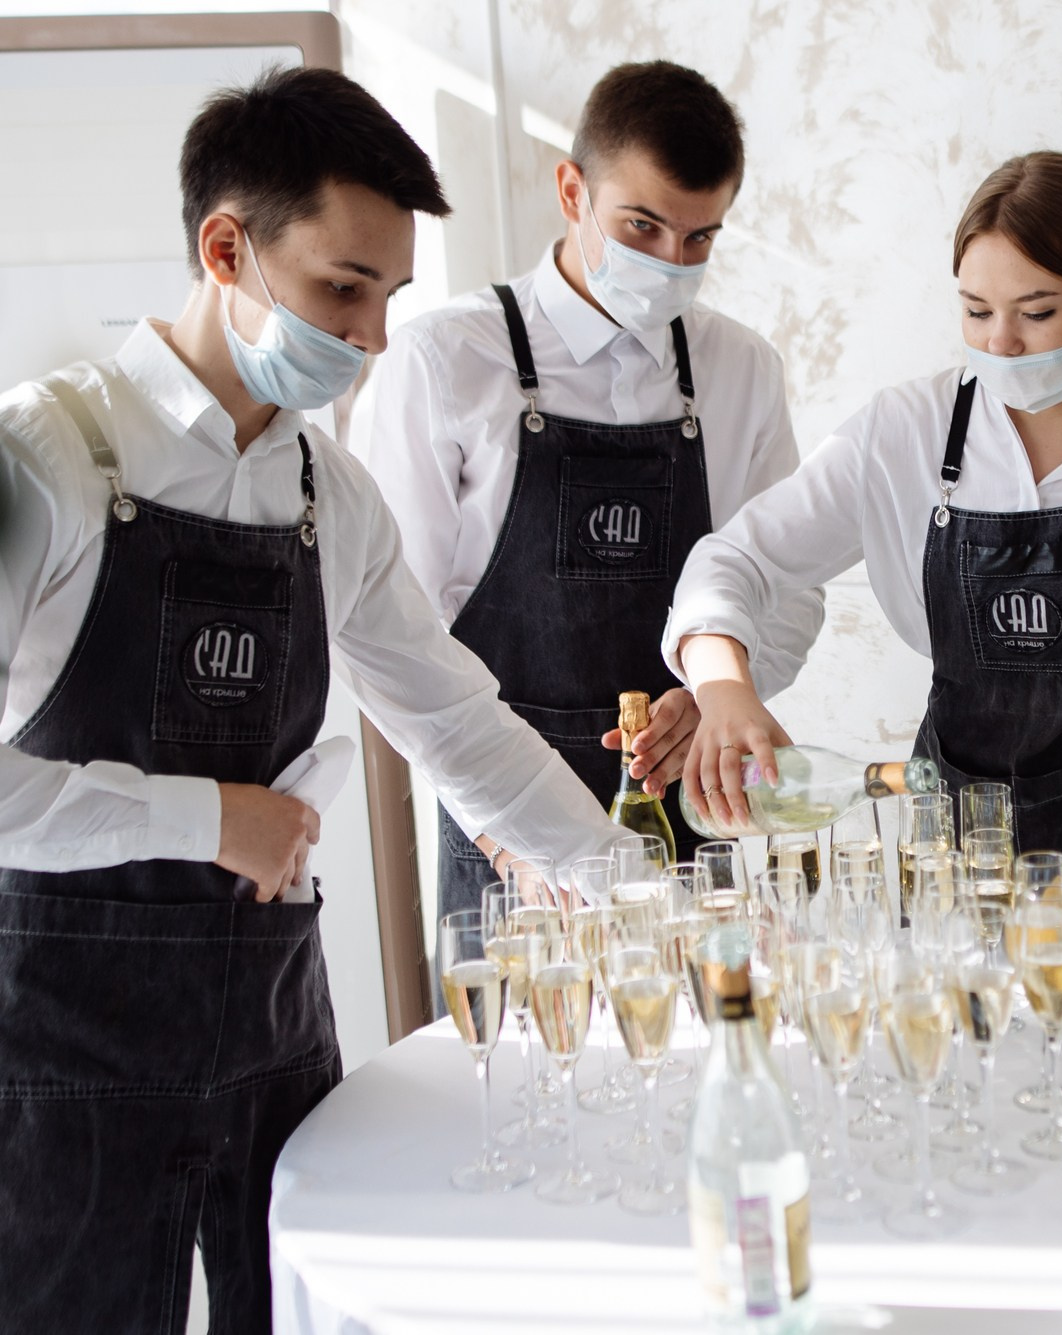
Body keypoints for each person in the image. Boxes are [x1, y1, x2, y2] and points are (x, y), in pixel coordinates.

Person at [0, 69, 621, 1333]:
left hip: (272, 1034)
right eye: (344, 288)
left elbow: (456, 723)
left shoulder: (328, 497)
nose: (373, 339)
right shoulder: (43, 457)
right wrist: (208, 818)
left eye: (390, 295)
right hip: (60, 1045)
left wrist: (637, 891)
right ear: (226, 249)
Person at [661, 151, 1062, 880]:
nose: (999, 342)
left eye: (1036, 313)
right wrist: (724, 688)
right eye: (977, 311)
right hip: (953, 864)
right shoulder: (904, 433)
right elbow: (733, 560)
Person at [354, 61, 822, 932]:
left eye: (699, 239)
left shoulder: (742, 370)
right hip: (510, 848)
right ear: (572, 190)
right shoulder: (442, 361)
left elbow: (787, 589)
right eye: (642, 226)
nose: (670, 263)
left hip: (689, 822)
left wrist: (716, 691)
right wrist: (505, 840)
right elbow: (389, 638)